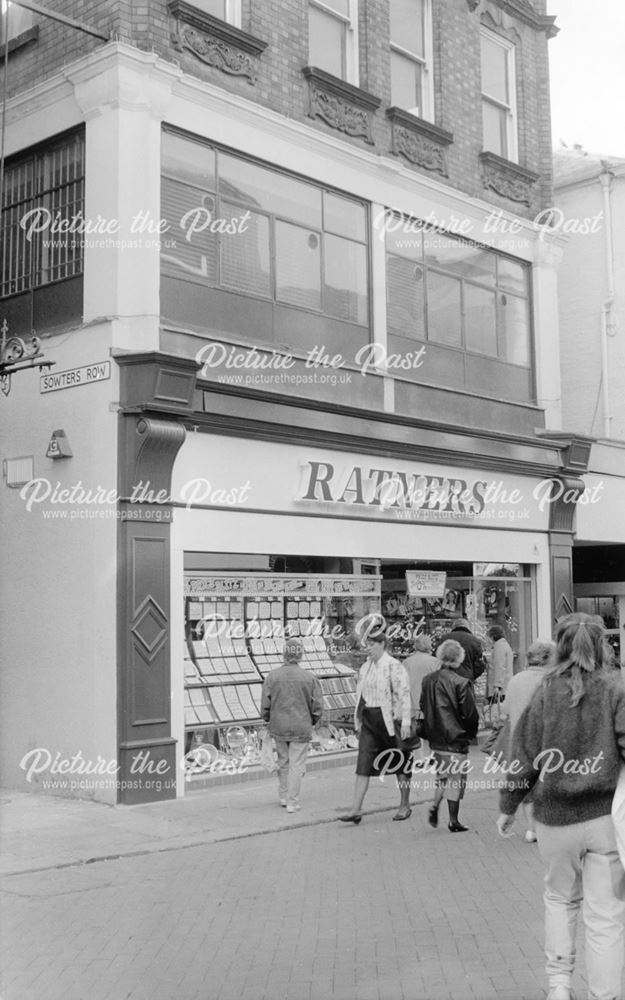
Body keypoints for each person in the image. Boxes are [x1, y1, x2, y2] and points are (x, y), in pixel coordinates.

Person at [497, 613, 625, 1000]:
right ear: (603, 644)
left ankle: (559, 986)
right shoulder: (616, 689)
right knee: (605, 918)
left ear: (560, 644)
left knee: (559, 901)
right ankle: (604, 994)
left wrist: (508, 805)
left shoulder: (545, 691)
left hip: (554, 818)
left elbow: (524, 755)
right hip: (605, 820)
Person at [339, 624, 411, 824]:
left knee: (400, 761)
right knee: (363, 763)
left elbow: (404, 694)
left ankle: (404, 804)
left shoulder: (394, 665)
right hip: (370, 718)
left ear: (382, 644)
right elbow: (361, 694)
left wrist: (405, 722)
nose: (367, 648)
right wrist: (359, 718)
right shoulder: (365, 666)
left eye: (371, 644)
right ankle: (355, 809)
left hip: (389, 719)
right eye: (366, 644)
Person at [497, 639, 555, 842]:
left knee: (526, 786)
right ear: (548, 658)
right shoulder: (552, 680)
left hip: (520, 742)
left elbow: (504, 711)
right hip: (547, 742)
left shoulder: (515, 680)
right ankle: (547, 826)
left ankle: (532, 829)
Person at [420, 639, 479, 832]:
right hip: (456, 737)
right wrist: (470, 734)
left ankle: (436, 804)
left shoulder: (428, 680)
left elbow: (423, 704)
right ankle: (453, 820)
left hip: (436, 736)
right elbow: (470, 714)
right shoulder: (461, 682)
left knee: (442, 775)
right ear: (459, 659)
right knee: (456, 779)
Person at [261, 637, 322, 814]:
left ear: (284, 655)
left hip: (279, 725)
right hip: (302, 725)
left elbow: (266, 704)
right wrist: (312, 721)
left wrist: (267, 718)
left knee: (283, 761)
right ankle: (292, 802)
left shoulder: (272, 676)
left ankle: (283, 795)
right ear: (301, 656)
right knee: (297, 764)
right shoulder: (310, 678)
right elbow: (317, 706)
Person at [394, 634, 439, 819]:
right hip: (427, 703)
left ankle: (418, 757)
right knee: (427, 731)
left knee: (413, 732)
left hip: (410, 702)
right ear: (428, 646)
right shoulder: (435, 662)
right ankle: (428, 757)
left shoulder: (406, 662)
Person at [437, 618, 487, 684]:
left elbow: (436, 660)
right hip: (466, 680)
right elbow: (480, 665)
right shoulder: (475, 641)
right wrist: (472, 676)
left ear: (454, 627)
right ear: (468, 627)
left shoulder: (444, 638)